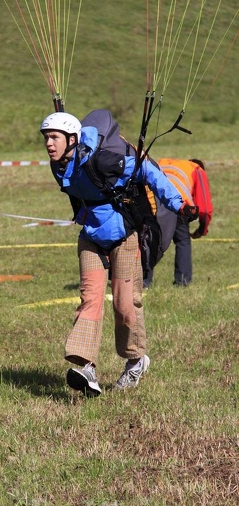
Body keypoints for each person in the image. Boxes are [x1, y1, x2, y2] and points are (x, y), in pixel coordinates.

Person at [40, 110, 198, 396]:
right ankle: (86, 367)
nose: (48, 144)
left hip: (124, 236)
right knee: (89, 299)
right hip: (90, 237)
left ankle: (136, 360)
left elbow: (145, 170)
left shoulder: (102, 160)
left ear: (72, 139)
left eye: (54, 137)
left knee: (125, 305)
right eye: (46, 138)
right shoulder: (59, 166)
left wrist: (178, 204)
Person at [143, 158, 213, 288]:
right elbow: (204, 209)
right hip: (179, 203)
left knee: (150, 239)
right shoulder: (197, 169)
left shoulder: (164, 161)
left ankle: (144, 281)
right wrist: (202, 229)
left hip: (154, 201)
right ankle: (182, 281)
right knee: (182, 240)